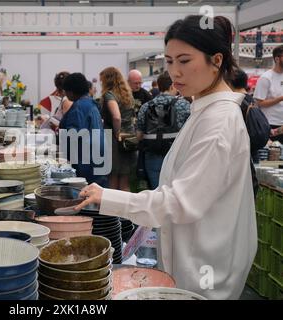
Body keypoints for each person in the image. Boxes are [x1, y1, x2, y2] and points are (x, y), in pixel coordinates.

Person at [75, 15, 256, 300]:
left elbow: (179, 202)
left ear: (217, 60)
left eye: (184, 61)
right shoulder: (203, 111)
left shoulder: (219, 121)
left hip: (205, 274)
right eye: (169, 61)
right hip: (190, 263)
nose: (175, 72)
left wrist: (106, 197)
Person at [136, 71, 191, 189]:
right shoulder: (183, 105)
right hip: (176, 156)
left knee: (156, 192)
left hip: (152, 154)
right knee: (175, 193)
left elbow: (139, 135)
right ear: (172, 86)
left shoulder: (146, 106)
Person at [59, 73, 108, 187]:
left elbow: (73, 135)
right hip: (98, 158)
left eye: (65, 91)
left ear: (71, 91)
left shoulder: (79, 107)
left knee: (86, 195)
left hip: (86, 161)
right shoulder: (91, 103)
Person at [228, 67, 270, 197]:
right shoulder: (251, 101)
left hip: (239, 158)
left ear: (229, 83)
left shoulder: (235, 103)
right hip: (252, 155)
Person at [99, 67, 135, 191]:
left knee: (113, 178)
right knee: (125, 180)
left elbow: (116, 117)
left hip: (115, 140)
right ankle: (126, 209)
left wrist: (117, 132)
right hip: (129, 138)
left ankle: (111, 210)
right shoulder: (127, 94)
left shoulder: (110, 95)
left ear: (107, 80)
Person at [254, 45, 283, 144]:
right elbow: (260, 103)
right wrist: (280, 98)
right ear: (277, 59)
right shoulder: (266, 78)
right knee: (272, 156)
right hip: (270, 125)